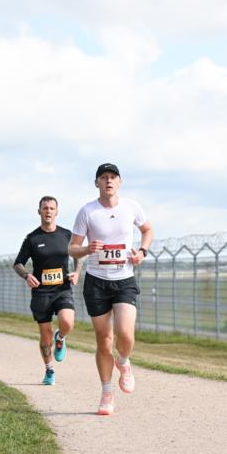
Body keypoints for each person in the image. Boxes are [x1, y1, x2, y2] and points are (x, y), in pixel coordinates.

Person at [69, 163, 153, 415]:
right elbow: (72, 247)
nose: (108, 181)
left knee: (125, 334)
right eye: (103, 177)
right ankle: (107, 393)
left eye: (113, 177)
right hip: (96, 280)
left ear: (120, 182)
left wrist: (142, 251)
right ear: (97, 183)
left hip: (124, 278)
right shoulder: (87, 211)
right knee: (104, 341)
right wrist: (86, 249)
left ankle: (124, 362)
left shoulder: (132, 207)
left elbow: (147, 230)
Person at [13, 196, 82, 385]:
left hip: (62, 289)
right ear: (39, 212)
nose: (48, 211)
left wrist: (76, 272)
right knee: (45, 335)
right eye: (45, 208)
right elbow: (18, 263)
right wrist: (27, 276)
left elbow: (77, 255)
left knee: (67, 322)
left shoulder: (67, 235)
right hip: (41, 292)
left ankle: (61, 338)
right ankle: (49, 369)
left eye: (52, 208)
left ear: (57, 212)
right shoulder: (32, 238)